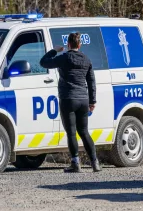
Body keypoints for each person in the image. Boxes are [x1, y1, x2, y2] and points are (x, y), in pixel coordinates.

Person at [40, 32, 101, 173]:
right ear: (79, 45)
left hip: (68, 99)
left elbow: (43, 62)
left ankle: (75, 163)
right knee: (84, 131)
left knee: (72, 133)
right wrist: (92, 101)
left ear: (68, 44)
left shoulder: (64, 58)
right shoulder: (87, 59)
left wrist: (54, 50)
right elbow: (92, 82)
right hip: (83, 99)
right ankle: (95, 163)